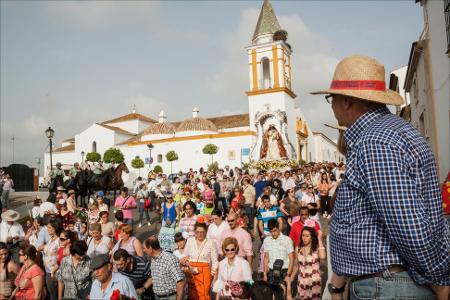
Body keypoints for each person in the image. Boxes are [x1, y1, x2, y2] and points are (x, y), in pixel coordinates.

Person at [311, 55, 450, 299]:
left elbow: (409, 225)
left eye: (331, 98)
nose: (331, 105)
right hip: (391, 283)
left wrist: (438, 280)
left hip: (389, 285)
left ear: (346, 101)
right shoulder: (390, 132)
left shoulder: (375, 142)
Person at [181, 221, 218, 300]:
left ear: (206, 231)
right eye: (197, 232)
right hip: (190, 271)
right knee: (191, 294)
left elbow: (215, 262)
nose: (199, 234)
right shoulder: (190, 241)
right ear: (194, 231)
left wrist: (212, 276)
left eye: (202, 232)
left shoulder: (211, 243)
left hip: (205, 273)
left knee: (203, 295)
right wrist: (187, 264)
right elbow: (184, 256)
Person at [289, 227, 326, 300]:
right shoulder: (298, 248)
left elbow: (323, 257)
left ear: (312, 237)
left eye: (307, 236)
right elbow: (296, 266)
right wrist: (292, 277)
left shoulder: (317, 248)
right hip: (302, 282)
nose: (304, 238)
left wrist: (319, 239)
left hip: (314, 282)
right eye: (303, 235)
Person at [262, 219, 294, 286]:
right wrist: (265, 274)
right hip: (272, 271)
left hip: (284, 271)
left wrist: (288, 274)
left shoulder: (287, 240)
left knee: (284, 293)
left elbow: (291, 258)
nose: (273, 234)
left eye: (274, 231)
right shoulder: (266, 240)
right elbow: (266, 258)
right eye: (271, 231)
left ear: (279, 228)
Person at [42, 218, 62, 300]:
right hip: (48, 270)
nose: (48, 229)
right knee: (51, 293)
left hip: (55, 271)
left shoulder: (59, 240)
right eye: (48, 227)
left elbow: (61, 256)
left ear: (55, 228)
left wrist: (54, 271)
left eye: (50, 228)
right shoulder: (51, 239)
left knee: (54, 295)